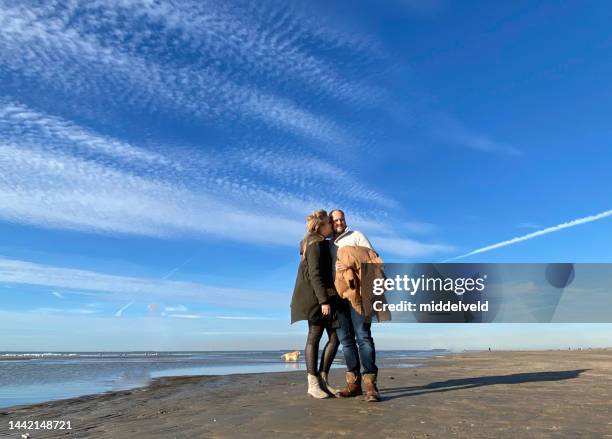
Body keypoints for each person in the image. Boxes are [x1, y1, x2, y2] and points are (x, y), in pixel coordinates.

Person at [329, 208, 382, 402]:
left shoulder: (356, 235)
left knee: (363, 337)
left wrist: (350, 262)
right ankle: (353, 383)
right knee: (346, 340)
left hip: (359, 294)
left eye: (341, 219)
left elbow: (373, 257)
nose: (339, 223)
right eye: (335, 221)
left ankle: (371, 385)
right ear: (330, 223)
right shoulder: (328, 244)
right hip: (338, 296)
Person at [290, 209, 340, 398]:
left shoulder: (321, 243)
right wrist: (324, 301)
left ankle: (323, 380)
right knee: (315, 336)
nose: (331, 225)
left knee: (335, 338)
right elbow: (315, 274)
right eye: (329, 223)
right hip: (315, 298)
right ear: (321, 226)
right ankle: (313, 384)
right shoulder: (313, 244)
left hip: (325, 296)